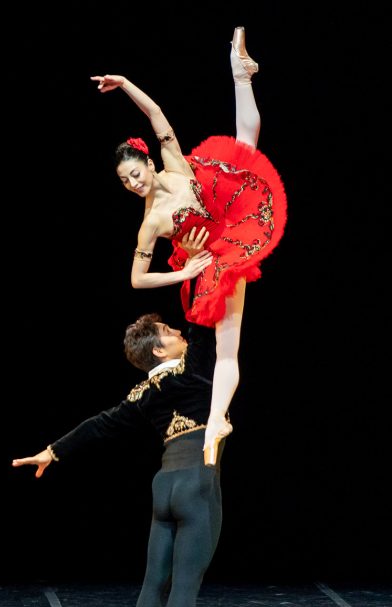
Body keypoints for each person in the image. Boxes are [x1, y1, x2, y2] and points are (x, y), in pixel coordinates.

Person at [90, 26, 287, 465]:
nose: (133, 183)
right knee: (227, 345)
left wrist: (125, 83)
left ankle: (241, 74)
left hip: (229, 209)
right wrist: (183, 272)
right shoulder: (150, 223)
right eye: (124, 182)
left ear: (147, 162)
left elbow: (156, 112)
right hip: (216, 255)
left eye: (134, 173)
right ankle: (215, 421)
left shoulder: (174, 163)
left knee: (245, 146)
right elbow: (137, 279)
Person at [12, 307, 227, 607]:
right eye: (169, 330)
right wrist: (203, 277)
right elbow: (203, 323)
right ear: (158, 351)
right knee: (184, 586)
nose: (178, 332)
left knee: (153, 583)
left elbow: (100, 425)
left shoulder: (142, 393)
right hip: (196, 482)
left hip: (164, 486)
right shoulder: (190, 370)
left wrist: (52, 451)